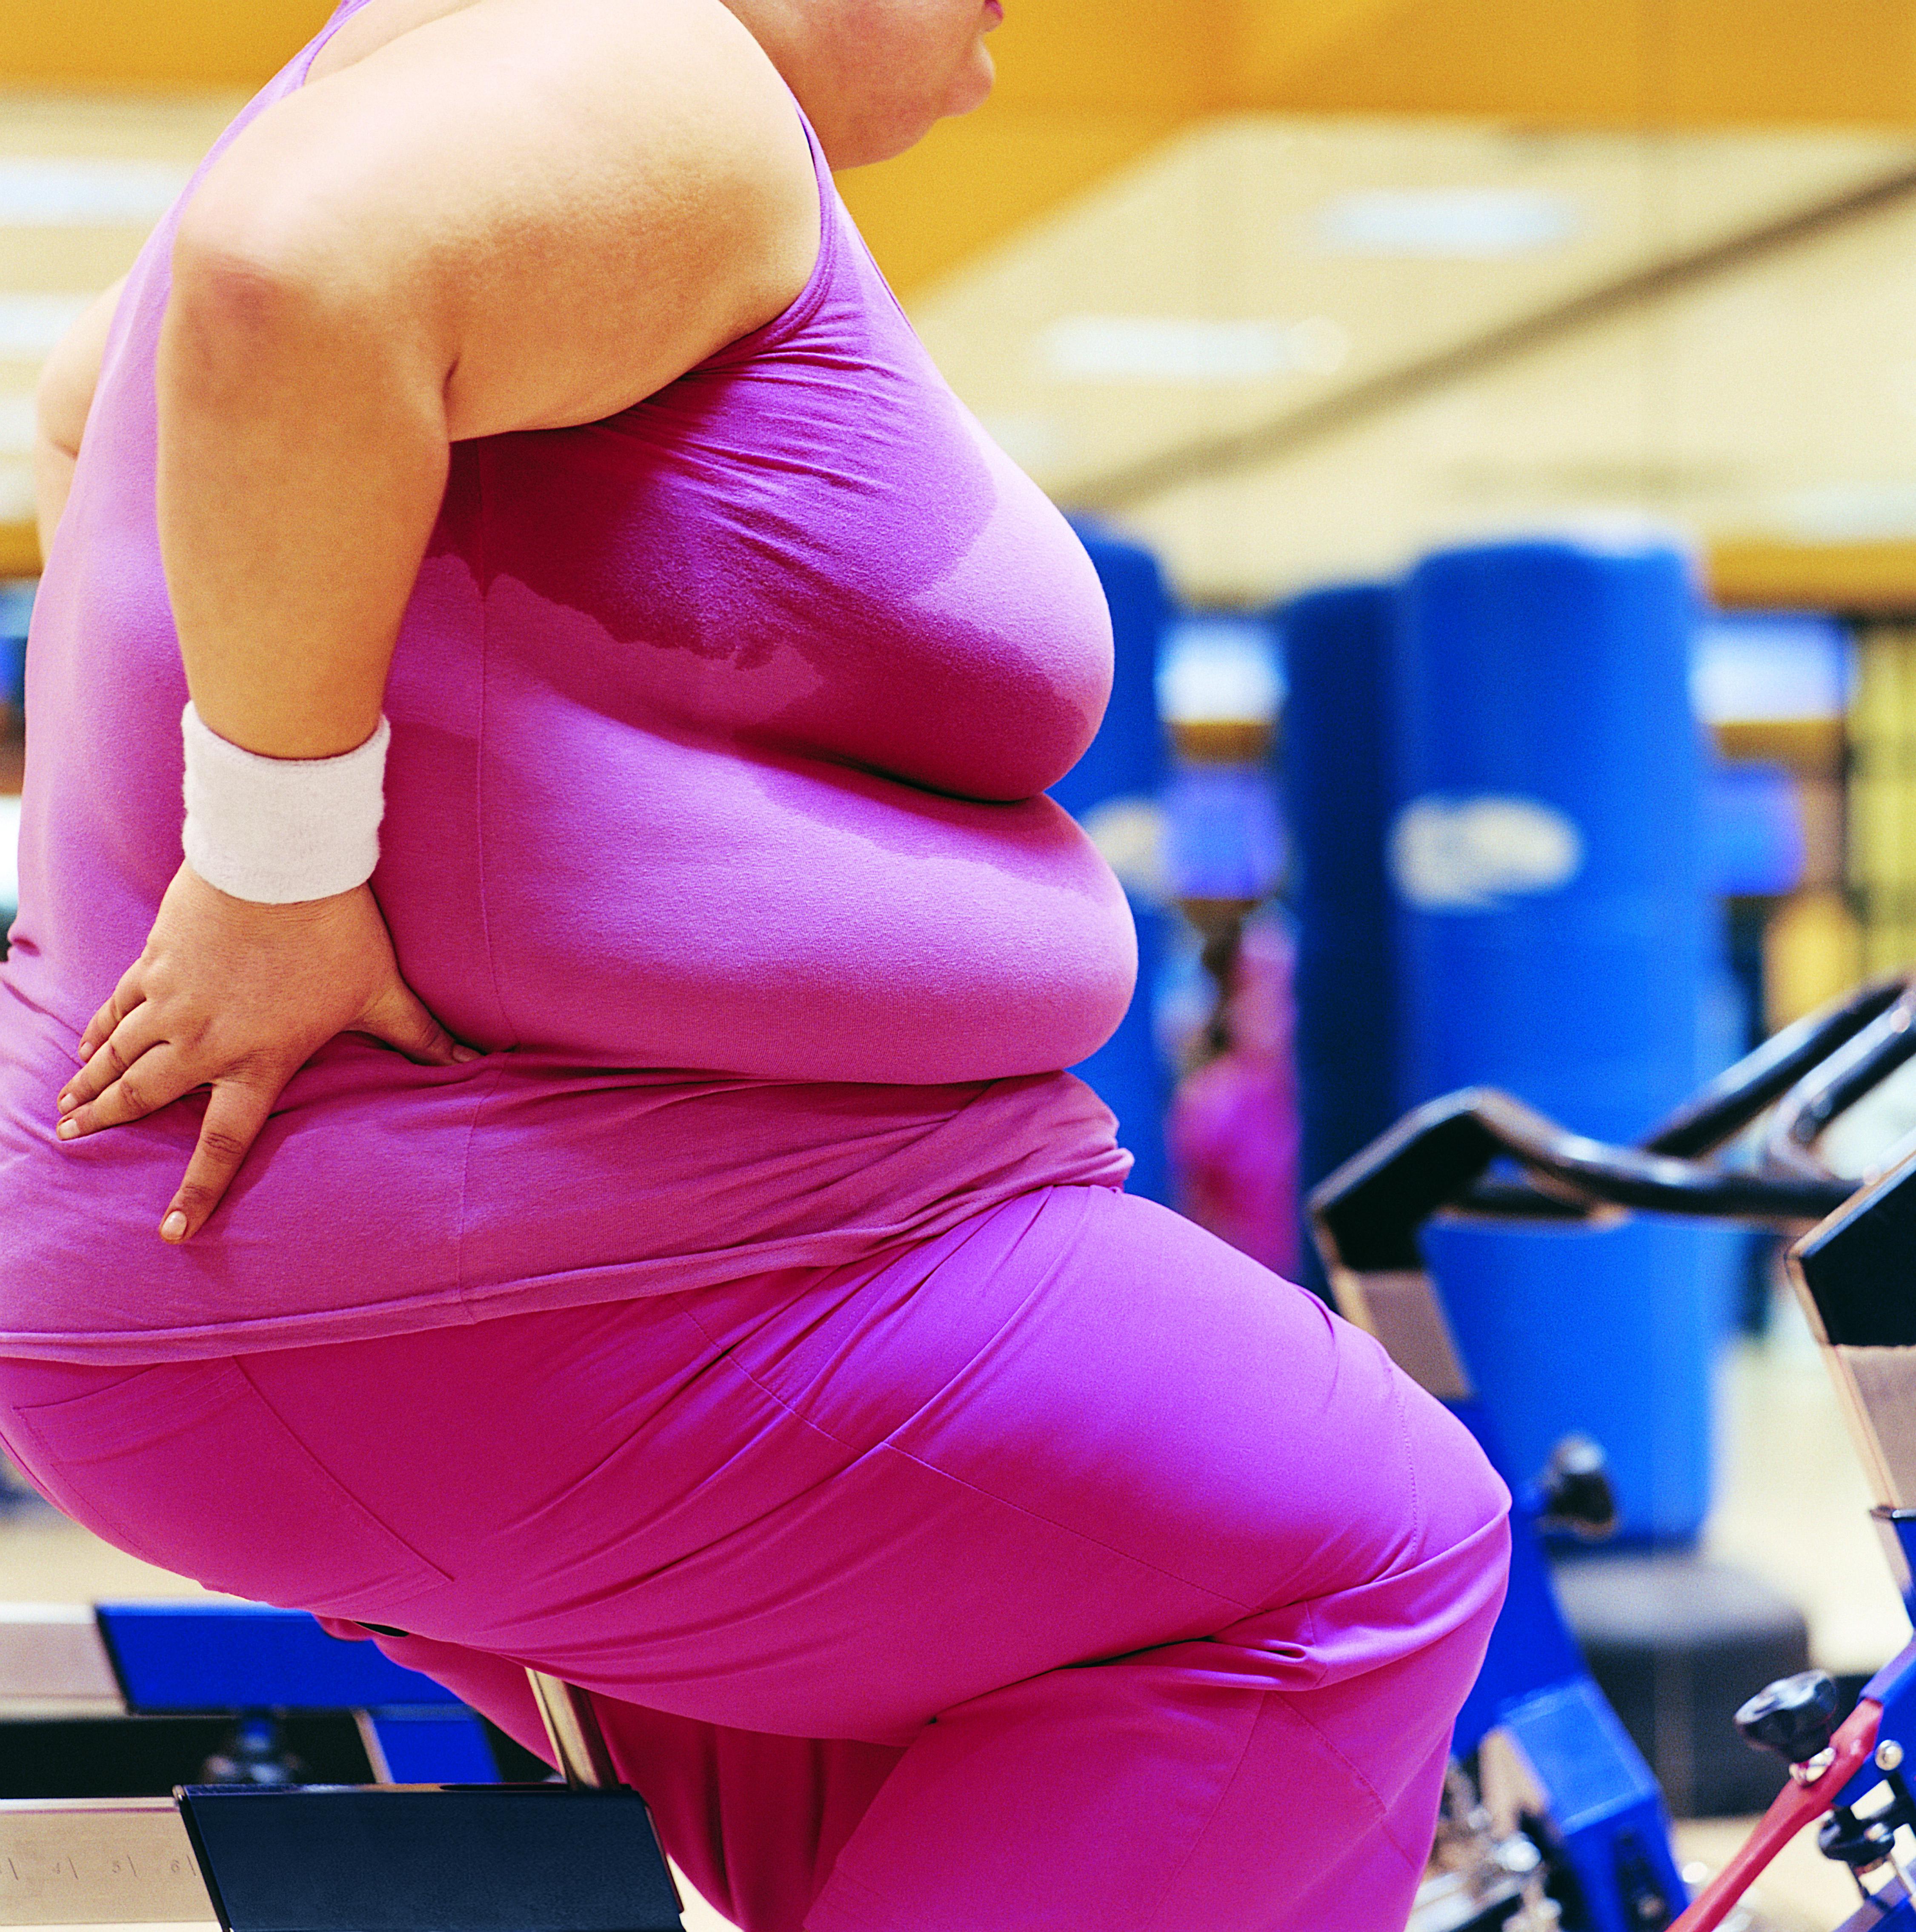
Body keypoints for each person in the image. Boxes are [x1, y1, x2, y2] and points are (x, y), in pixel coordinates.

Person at [0, 1, 1510, 1925]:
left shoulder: (457, 68)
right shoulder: (665, 62)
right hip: (570, 1272)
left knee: (948, 1781)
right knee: (1375, 1538)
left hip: (289, 1284)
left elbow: (94, 397)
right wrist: (271, 863)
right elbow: (290, 276)